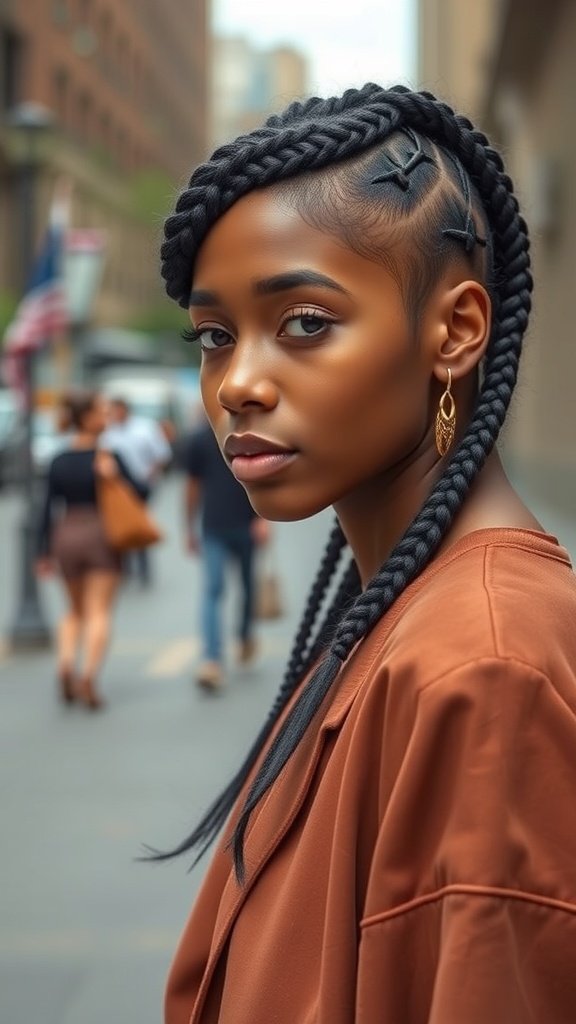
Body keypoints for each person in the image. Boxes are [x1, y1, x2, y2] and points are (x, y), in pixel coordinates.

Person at [157, 84, 576, 1022]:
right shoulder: (396, 603)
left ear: (456, 330)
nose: (239, 385)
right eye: (215, 336)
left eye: (304, 321)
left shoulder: (483, 663)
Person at [36, 389, 144, 710]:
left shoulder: (57, 460)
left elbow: (46, 508)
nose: (107, 416)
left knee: (73, 610)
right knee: (98, 611)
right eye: (101, 411)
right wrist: (113, 479)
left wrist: (41, 553)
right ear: (89, 419)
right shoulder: (108, 458)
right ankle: (88, 675)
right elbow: (141, 492)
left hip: (65, 532)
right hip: (101, 534)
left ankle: (66, 662)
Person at [183, 416, 269, 690]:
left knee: (247, 587)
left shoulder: (250, 434)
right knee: (213, 589)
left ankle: (244, 636)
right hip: (214, 527)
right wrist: (189, 527)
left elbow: (265, 477)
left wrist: (264, 518)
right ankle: (211, 660)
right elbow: (192, 485)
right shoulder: (200, 438)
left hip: (247, 523)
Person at [101, 397, 171, 585]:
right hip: (120, 487)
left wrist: (150, 474)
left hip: (142, 484)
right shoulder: (109, 432)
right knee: (122, 522)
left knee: (138, 522)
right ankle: (126, 568)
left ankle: (143, 568)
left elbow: (162, 454)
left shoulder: (145, 429)